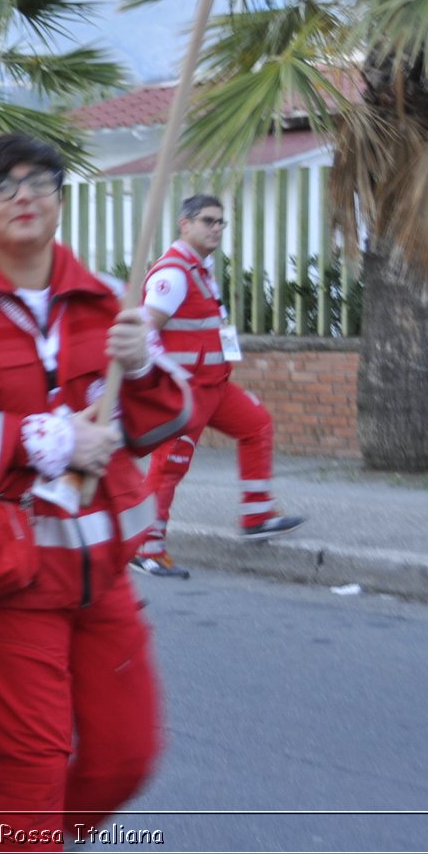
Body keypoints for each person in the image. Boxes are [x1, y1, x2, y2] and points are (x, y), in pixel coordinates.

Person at [0, 133, 192, 854]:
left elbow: (167, 422)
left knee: (126, 757)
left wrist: (145, 366)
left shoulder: (103, 300)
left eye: (42, 181)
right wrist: (44, 439)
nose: (25, 194)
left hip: (104, 573)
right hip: (9, 579)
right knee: (29, 771)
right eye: (3, 185)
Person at [134, 195, 304, 579]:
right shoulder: (174, 274)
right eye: (208, 221)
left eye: (220, 222)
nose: (216, 228)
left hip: (214, 388)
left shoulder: (200, 269)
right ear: (185, 224)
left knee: (257, 425)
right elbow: (145, 333)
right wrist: (168, 381)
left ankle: (257, 516)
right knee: (168, 468)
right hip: (186, 394)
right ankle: (146, 548)